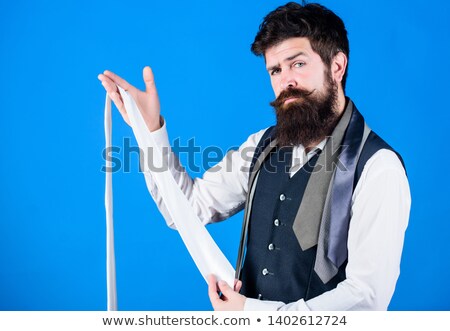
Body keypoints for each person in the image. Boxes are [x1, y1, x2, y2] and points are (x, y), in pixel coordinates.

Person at [98, 2, 411, 311]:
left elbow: (366, 299)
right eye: (276, 69)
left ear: (337, 66)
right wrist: (150, 130)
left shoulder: (378, 168)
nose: (285, 81)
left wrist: (251, 314)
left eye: (298, 64)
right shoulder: (261, 146)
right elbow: (188, 209)